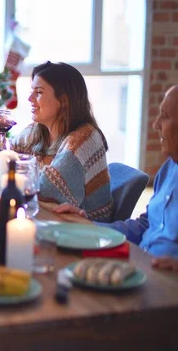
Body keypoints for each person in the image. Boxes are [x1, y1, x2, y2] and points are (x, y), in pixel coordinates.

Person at [55, 85, 178, 270]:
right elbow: (145, 224)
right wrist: (89, 225)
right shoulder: (169, 168)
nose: (156, 124)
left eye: (166, 116)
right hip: (139, 265)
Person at [0, 61, 113, 222]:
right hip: (49, 218)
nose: (29, 98)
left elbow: (49, 191)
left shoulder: (84, 137)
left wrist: (13, 171)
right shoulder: (38, 131)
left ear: (64, 100)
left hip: (87, 228)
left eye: (38, 92)